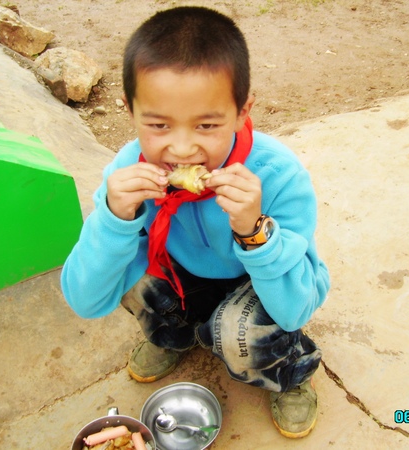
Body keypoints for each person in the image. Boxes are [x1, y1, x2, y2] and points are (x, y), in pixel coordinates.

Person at [61, 6, 330, 439]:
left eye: (206, 125)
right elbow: (86, 300)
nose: (182, 149)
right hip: (181, 272)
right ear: (129, 109)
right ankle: (175, 333)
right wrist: (113, 220)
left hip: (258, 283)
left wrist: (255, 232)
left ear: (242, 110)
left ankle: (290, 369)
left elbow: (297, 307)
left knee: (238, 333)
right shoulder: (128, 172)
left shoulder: (277, 175)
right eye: (158, 124)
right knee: (125, 266)